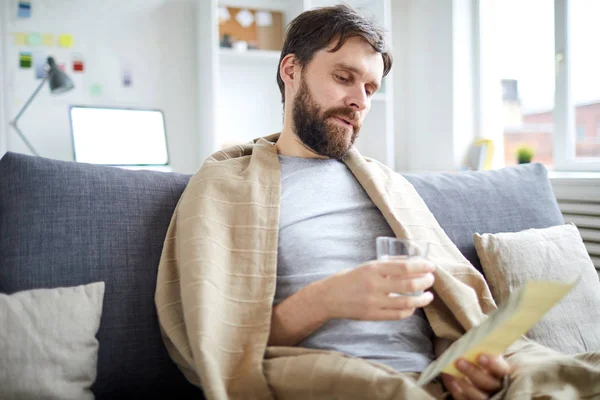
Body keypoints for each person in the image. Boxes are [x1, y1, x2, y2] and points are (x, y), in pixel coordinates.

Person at [155, 4, 600, 400]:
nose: (358, 101)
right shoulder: (225, 184)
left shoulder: (389, 186)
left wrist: (466, 367)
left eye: (371, 88)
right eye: (343, 77)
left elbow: (450, 309)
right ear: (291, 70)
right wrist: (324, 300)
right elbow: (215, 343)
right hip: (334, 377)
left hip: (432, 376)